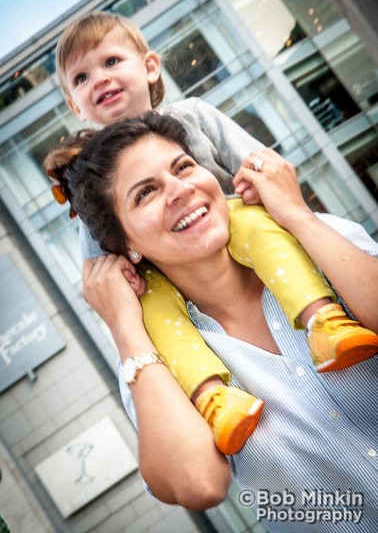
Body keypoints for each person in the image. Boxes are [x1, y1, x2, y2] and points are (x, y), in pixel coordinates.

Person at [45, 10, 378, 455]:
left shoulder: (193, 115)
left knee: (257, 227)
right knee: (156, 317)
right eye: (81, 77)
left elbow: (260, 165)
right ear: (74, 105)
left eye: (110, 62)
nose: (98, 79)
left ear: (149, 66)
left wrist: (260, 183)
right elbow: (101, 265)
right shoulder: (92, 178)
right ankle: (213, 399)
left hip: (237, 222)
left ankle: (324, 320)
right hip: (167, 277)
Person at [67, 111, 378, 532]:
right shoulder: (149, 360)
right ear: (125, 245)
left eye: (183, 167)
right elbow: (199, 485)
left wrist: (298, 214)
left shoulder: (311, 240)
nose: (181, 190)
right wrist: (123, 326)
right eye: (146, 193)